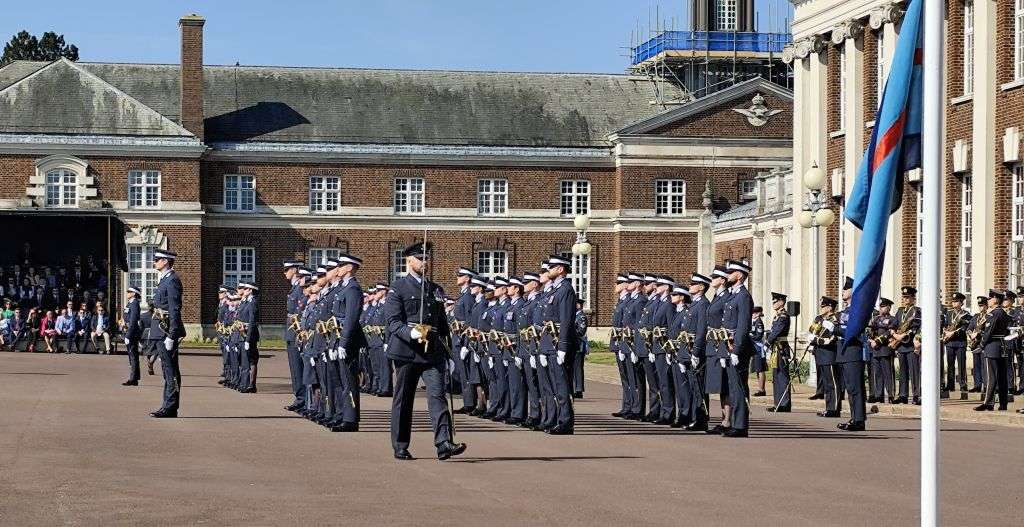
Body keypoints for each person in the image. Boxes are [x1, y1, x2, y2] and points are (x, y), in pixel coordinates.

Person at [384, 242, 466, 461]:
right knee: (404, 400)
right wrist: (409, 333)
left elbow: (443, 325)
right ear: (409, 260)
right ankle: (400, 445)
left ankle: (443, 443)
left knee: (438, 396)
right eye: (420, 258)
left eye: (427, 258)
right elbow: (393, 321)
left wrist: (449, 354)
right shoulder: (398, 288)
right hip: (407, 351)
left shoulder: (435, 289)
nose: (424, 262)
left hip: (433, 353)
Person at [325, 253, 366, 432]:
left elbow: (351, 318)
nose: (338, 269)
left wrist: (344, 342)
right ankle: (342, 414)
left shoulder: (353, 289)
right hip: (338, 337)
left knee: (349, 380)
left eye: (341, 265)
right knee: (340, 379)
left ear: (349, 268)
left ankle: (350, 419)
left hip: (348, 340)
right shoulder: (344, 288)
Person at [150, 250, 185, 418]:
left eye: (157, 259)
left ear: (165, 261)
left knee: (170, 371)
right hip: (160, 329)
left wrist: (172, 335)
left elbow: (174, 309)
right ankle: (168, 404)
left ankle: (170, 406)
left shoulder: (172, 280)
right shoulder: (165, 280)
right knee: (166, 370)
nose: (154, 262)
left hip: (166, 330)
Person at [721, 260, 753, 438]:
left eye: (731, 272)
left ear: (739, 275)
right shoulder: (733, 295)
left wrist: (736, 350)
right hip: (729, 346)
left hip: (737, 348)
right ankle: (735, 423)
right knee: (733, 388)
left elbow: (743, 326)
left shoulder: (743, 296)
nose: (727, 275)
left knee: (739, 387)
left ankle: (741, 425)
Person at [836, 277, 866, 431]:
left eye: (846, 289)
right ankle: (854, 417)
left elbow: (852, 331)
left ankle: (859, 420)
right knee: (850, 387)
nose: (842, 291)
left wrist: (835, 329)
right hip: (844, 352)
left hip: (853, 352)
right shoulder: (845, 311)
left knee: (855, 387)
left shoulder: (858, 309)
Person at [976, 289, 1011, 411]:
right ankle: (1003, 403)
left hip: (992, 347)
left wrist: (981, 345)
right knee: (1002, 377)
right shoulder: (1004, 314)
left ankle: (988, 403)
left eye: (990, 298)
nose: (988, 300)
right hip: (1002, 346)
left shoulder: (993, 314)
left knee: (991, 377)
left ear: (996, 299)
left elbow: (988, 332)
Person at [808, 297, 841, 417]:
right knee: (827, 384)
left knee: (833, 383)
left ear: (830, 307)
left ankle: (835, 408)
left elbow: (831, 339)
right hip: (820, 353)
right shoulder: (819, 318)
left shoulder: (835, 319)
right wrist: (812, 338)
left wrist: (816, 340)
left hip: (829, 354)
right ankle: (829, 407)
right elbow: (811, 331)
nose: (821, 308)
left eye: (823, 306)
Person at [282, 261, 307, 412]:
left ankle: (302, 399)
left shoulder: (300, 288)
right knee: (295, 368)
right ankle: (299, 397)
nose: (285, 272)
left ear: (295, 270)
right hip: (292, 331)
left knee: (299, 368)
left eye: (287, 269)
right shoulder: (295, 288)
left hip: (297, 332)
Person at [891, 286, 922, 405]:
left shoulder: (917, 311)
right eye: (904, 297)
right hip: (900, 346)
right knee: (902, 372)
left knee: (914, 372)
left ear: (913, 298)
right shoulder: (900, 311)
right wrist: (894, 334)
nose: (905, 300)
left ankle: (916, 395)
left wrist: (904, 335)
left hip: (910, 345)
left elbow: (916, 326)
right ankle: (902, 395)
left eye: (907, 297)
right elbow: (893, 324)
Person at [764, 292, 792, 413]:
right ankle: (778, 402)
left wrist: (767, 342)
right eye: (773, 302)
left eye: (775, 302)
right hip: (776, 348)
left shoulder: (783, 316)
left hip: (781, 348)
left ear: (782, 302)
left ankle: (784, 403)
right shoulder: (778, 316)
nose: (773, 304)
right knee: (776, 376)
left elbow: (776, 332)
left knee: (782, 376)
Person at [942, 293, 971, 396]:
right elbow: (945, 325)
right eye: (953, 301)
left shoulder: (966, 314)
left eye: (956, 301)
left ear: (961, 303)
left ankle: (963, 384)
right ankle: (950, 384)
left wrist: (953, 333)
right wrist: (945, 331)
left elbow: (965, 328)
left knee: (961, 364)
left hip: (960, 342)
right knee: (950, 364)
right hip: (950, 342)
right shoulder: (949, 313)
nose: (954, 303)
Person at [236, 281, 261, 394]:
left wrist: (248, 338)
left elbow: (252, 322)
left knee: (251, 359)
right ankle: (245, 383)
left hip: (249, 334)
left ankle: (250, 384)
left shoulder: (253, 302)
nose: (243, 290)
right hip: (243, 332)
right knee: (245, 359)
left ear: (251, 290)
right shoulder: (246, 302)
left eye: (246, 289)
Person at [122, 287, 142, 386]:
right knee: (132, 356)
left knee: (133, 356)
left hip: (132, 333)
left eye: (129, 292)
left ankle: (133, 378)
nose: (127, 293)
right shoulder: (130, 303)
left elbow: (133, 320)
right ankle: (135, 377)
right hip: (128, 330)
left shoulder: (134, 303)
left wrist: (128, 335)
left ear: (134, 294)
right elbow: (127, 317)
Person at [968, 296, 988, 394]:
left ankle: (986, 385)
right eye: (979, 306)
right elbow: (969, 328)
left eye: (982, 305)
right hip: (975, 344)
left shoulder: (988, 316)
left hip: (983, 344)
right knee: (976, 365)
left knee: (984, 366)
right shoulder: (976, 316)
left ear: (986, 306)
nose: (981, 307)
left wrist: (979, 334)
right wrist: (971, 334)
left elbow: (988, 331)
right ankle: (977, 385)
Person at [750, 306, 767, 397]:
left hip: (759, 348)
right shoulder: (754, 322)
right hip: (755, 347)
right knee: (757, 369)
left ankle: (762, 389)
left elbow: (758, 336)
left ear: (758, 314)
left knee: (760, 369)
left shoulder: (759, 323)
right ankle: (760, 388)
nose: (752, 314)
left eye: (754, 313)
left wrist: (749, 336)